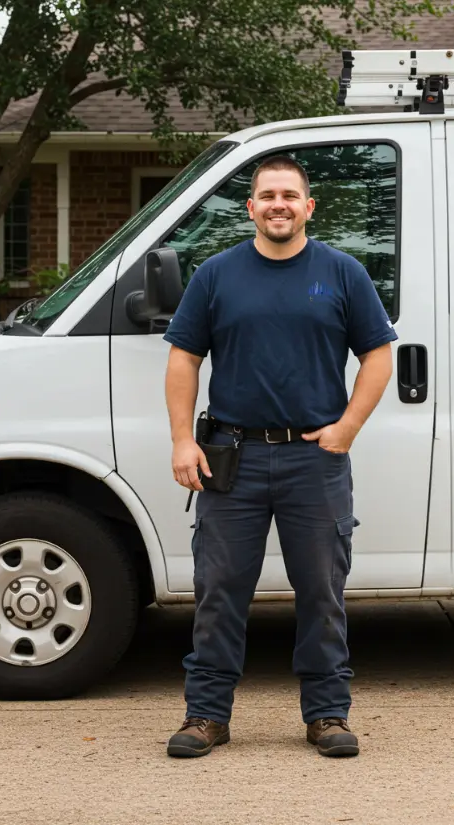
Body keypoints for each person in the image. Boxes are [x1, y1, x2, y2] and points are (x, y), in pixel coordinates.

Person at [162, 154, 397, 759]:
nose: (278, 205)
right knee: (219, 587)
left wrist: (347, 427)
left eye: (290, 195)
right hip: (229, 459)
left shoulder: (343, 273)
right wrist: (182, 439)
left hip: (313, 461)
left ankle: (327, 714)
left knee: (322, 589)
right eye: (267, 195)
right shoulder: (215, 275)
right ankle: (206, 715)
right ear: (251, 207)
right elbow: (184, 359)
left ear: (308, 206)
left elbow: (378, 355)